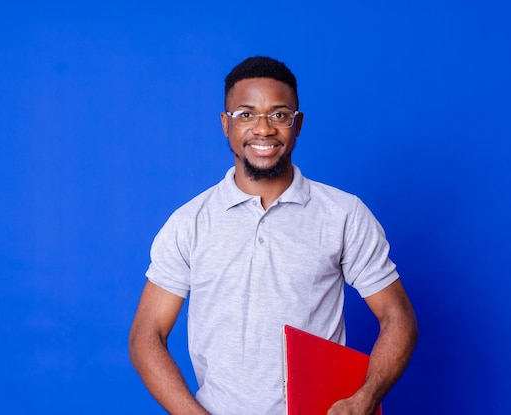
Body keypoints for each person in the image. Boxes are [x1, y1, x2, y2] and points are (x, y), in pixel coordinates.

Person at [129, 56, 418, 415]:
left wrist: (365, 398)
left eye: (279, 115)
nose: (263, 129)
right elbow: (146, 335)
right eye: (246, 114)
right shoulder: (190, 222)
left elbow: (398, 317)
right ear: (226, 124)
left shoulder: (343, 213)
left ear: (298, 125)